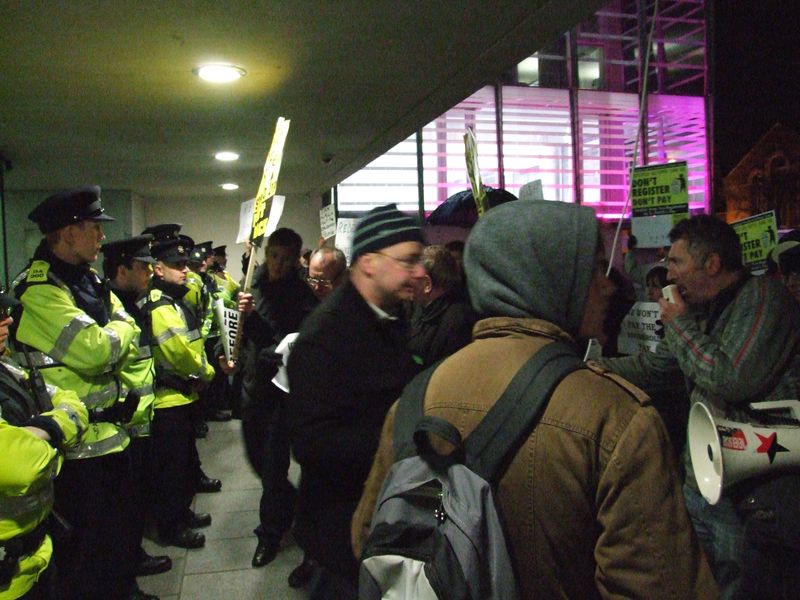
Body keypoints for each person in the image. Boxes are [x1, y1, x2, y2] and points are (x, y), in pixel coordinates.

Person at [352, 200, 718, 599]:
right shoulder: (616, 418)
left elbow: (370, 537)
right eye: (595, 269)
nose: (608, 286)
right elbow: (658, 585)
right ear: (552, 279)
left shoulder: (416, 398)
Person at [597, 214, 800, 599]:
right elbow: (658, 368)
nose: (669, 274)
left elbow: (731, 377)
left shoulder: (762, 298)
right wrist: (591, 367)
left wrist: (678, 326)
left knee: (737, 580)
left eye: (677, 262)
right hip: (703, 478)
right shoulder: (700, 309)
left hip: (750, 486)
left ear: (712, 264)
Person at [12, 186, 144, 600]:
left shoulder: (87, 279)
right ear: (69, 233)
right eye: (94, 228)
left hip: (111, 435)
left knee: (118, 536)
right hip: (76, 450)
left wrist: (115, 336)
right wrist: (116, 336)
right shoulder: (39, 290)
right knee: (87, 555)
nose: (102, 237)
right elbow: (96, 351)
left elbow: (126, 327)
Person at [287, 203, 425, 598]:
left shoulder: (391, 314)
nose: (420, 271)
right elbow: (311, 444)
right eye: (409, 260)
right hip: (341, 523)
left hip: (380, 507)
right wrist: (400, 439)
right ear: (368, 262)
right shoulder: (325, 336)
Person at [236, 228, 318, 569]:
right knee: (255, 457)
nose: (278, 264)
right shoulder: (251, 285)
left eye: (286, 259)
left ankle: (270, 533)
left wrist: (255, 324)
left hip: (280, 394)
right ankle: (294, 505)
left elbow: (289, 343)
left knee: (272, 465)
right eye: (274, 256)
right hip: (251, 387)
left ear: (296, 259)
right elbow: (240, 336)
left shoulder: (302, 297)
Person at [0, 291, 89, 600]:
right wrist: (58, 437)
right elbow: (20, 467)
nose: (8, 320)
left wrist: (45, 428)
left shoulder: (8, 369)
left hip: (37, 553)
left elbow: (69, 400)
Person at [101, 236, 173, 580]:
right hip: (123, 422)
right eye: (143, 267)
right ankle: (127, 567)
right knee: (122, 506)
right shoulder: (109, 310)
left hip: (142, 417)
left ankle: (134, 556)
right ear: (122, 270)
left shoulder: (134, 304)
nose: (149, 273)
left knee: (136, 498)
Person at [140, 230, 216, 550]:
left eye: (185, 264)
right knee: (171, 471)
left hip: (182, 394)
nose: (185, 270)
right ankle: (171, 527)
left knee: (182, 465)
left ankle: (181, 514)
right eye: (177, 265)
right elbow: (179, 352)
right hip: (167, 398)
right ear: (158, 269)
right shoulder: (160, 305)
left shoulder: (174, 300)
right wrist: (206, 372)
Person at [408, 244, 476, 367]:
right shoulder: (421, 309)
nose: (407, 283)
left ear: (427, 284)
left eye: (412, 277)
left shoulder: (458, 321)